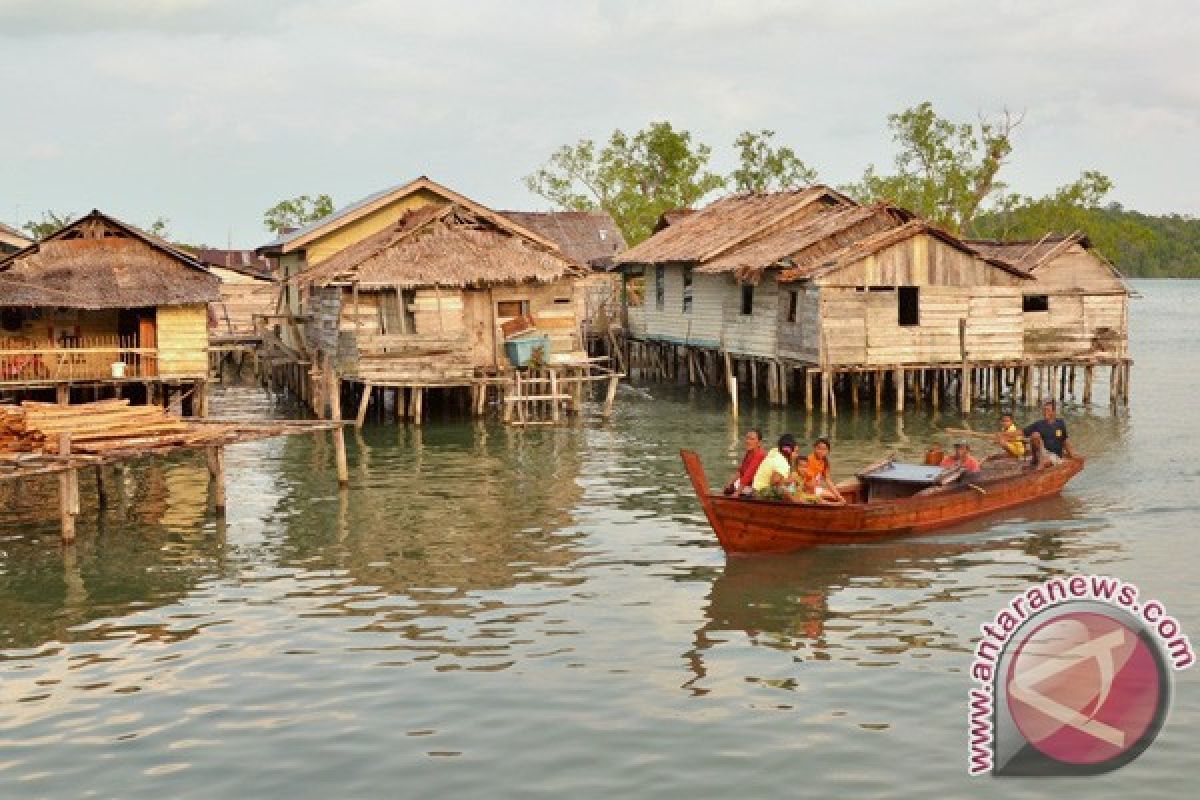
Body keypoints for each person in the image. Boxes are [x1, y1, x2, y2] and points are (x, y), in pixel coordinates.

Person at [796, 437, 845, 504]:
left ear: (828, 451)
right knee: (823, 499)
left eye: (824, 449)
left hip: (815, 488)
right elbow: (807, 482)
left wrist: (838, 496)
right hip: (806, 490)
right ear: (814, 448)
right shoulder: (808, 460)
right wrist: (814, 496)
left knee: (835, 497)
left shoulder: (825, 462)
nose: (821, 451)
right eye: (819, 448)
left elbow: (828, 480)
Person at [753, 433, 799, 500]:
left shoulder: (775, 452)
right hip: (760, 493)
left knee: (791, 487)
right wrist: (788, 481)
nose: (797, 455)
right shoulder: (782, 462)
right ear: (788, 451)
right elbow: (774, 482)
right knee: (783, 489)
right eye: (796, 452)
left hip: (756, 489)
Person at [724, 428, 767, 497]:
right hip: (748, 484)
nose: (748, 441)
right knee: (728, 489)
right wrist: (730, 483)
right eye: (747, 438)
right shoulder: (749, 452)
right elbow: (741, 471)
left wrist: (737, 492)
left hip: (757, 487)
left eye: (752, 439)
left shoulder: (760, 455)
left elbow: (748, 475)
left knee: (734, 491)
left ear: (759, 443)